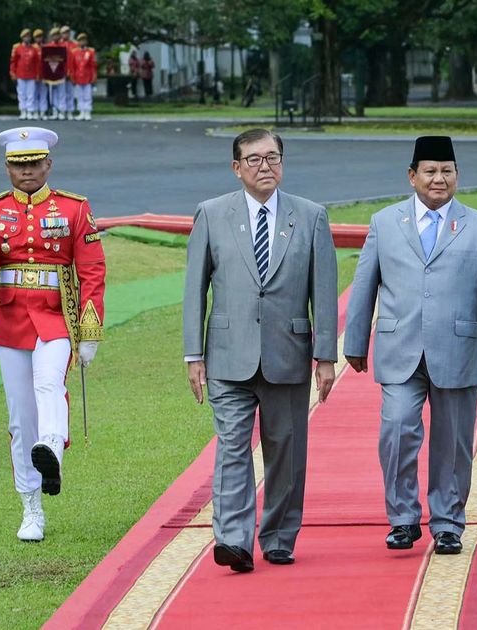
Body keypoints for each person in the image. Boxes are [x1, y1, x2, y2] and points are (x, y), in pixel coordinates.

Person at [343, 136, 477, 555]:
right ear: (412, 176)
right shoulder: (385, 222)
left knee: (454, 442)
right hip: (398, 348)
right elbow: (365, 285)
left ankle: (447, 523)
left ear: (457, 176)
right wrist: (354, 342)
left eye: (447, 171)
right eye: (430, 171)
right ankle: (403, 519)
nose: (439, 179)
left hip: (457, 349)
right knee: (398, 430)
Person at [182, 128, 338, 572]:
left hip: (288, 353)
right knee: (232, 447)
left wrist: (325, 357)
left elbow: (323, 293)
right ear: (237, 168)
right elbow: (195, 289)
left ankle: (279, 536)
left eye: (272, 157)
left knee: (285, 450)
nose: (264, 166)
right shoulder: (211, 214)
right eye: (254, 159)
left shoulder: (311, 217)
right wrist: (194, 355)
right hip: (228, 356)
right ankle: (233, 539)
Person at [0, 127, 106, 541]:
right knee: (18, 417)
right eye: (18, 164)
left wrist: (90, 328)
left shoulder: (74, 209)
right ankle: (32, 508)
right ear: (7, 167)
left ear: (48, 164)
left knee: (49, 384)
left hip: (56, 316)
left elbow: (92, 269)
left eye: (34, 164)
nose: (26, 172)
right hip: (10, 321)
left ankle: (51, 448)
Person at [11, 29, 41, 120]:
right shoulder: (18, 48)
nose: (27, 38)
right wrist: (13, 73)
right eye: (25, 36)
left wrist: (37, 74)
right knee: (22, 93)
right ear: (22, 38)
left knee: (31, 94)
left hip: (31, 74)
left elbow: (37, 63)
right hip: (21, 74)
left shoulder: (34, 49)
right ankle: (23, 111)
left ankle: (30, 111)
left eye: (28, 36)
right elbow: (13, 62)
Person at [67, 33, 96, 121]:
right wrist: (72, 77)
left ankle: (87, 112)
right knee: (79, 96)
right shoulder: (74, 52)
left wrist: (94, 77)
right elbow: (72, 66)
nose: (82, 42)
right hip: (78, 77)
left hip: (87, 77)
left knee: (87, 95)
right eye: (80, 40)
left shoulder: (90, 52)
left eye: (84, 40)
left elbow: (93, 66)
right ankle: (81, 112)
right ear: (78, 42)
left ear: (86, 41)